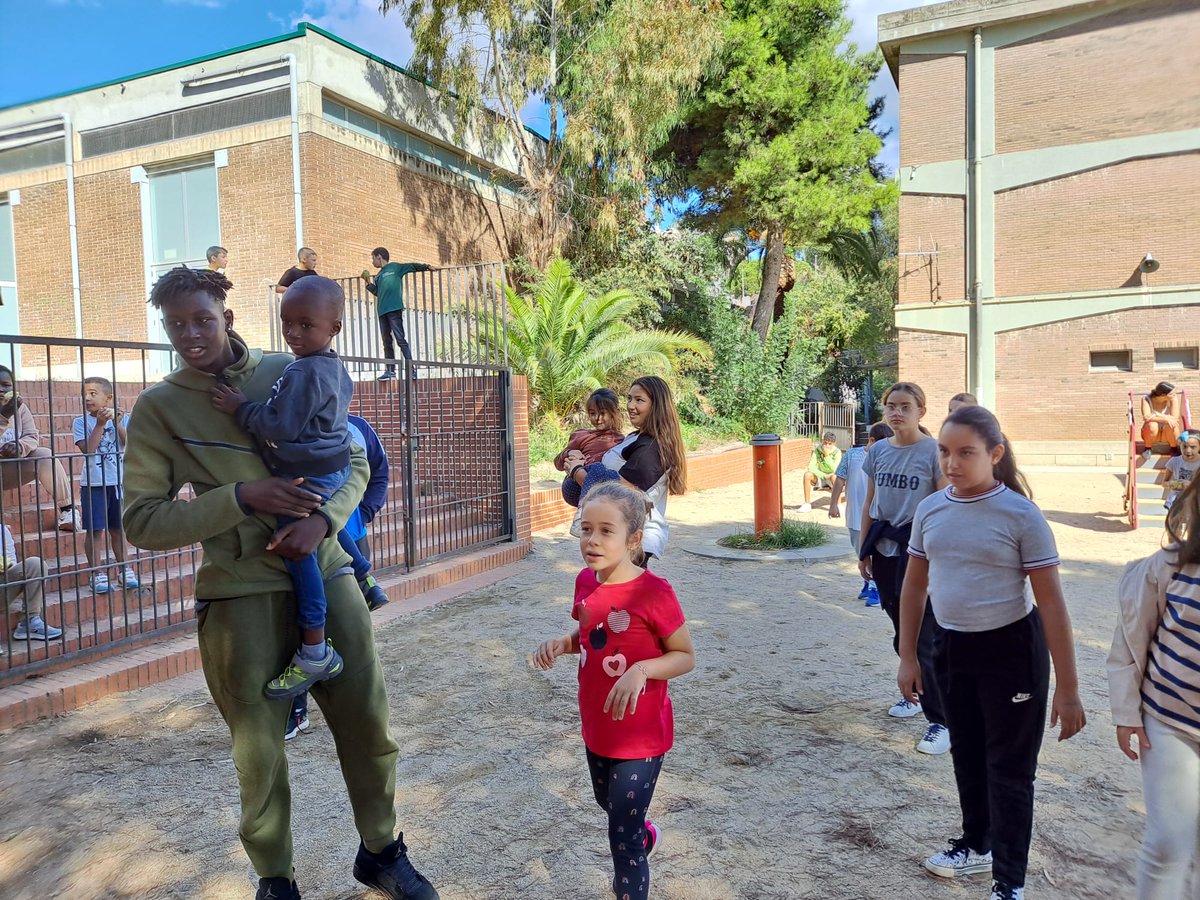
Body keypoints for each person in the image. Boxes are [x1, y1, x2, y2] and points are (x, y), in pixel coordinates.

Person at [124, 266, 439, 900]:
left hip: (324, 571)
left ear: (228, 317)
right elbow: (141, 520)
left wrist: (324, 521)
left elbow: (350, 457)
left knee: (368, 725)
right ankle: (276, 880)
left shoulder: (293, 367)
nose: (190, 334)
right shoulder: (158, 408)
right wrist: (240, 497)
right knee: (259, 753)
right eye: (176, 324)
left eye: (203, 320)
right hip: (239, 593)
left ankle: (381, 851)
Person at [898, 404, 1086, 900]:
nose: (951, 463)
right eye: (944, 451)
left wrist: (1067, 690)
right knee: (967, 755)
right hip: (952, 647)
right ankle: (976, 844)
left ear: (995, 454)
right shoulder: (932, 509)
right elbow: (915, 588)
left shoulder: (1020, 516)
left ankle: (1009, 880)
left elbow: (1052, 606)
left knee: (1008, 768)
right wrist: (909, 656)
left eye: (966, 453)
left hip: (1011, 653)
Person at [212, 276, 380, 702]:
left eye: (306, 325)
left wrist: (241, 407)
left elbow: (280, 425)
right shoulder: (336, 368)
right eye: (288, 323)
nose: (294, 333)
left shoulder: (302, 371)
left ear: (334, 328)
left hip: (305, 475)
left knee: (298, 553)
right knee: (328, 520)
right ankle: (364, 575)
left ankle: (314, 649)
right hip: (332, 467)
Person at [534, 482, 695, 900]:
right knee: (613, 808)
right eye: (586, 529)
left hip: (642, 736)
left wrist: (642, 670)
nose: (592, 539)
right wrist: (563, 644)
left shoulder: (654, 593)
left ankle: (633, 850)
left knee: (621, 840)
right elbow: (591, 636)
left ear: (633, 539)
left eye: (606, 530)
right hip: (598, 729)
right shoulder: (585, 582)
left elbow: (683, 656)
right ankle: (642, 835)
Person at [1109, 472, 1200, 899]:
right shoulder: (1171, 566)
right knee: (1169, 843)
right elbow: (1130, 640)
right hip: (1171, 721)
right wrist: (1127, 713)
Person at [859, 382, 951, 752]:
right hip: (884, 549)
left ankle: (942, 720)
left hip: (920, 551)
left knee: (924, 636)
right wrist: (863, 549)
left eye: (905, 406)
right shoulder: (878, 450)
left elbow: (945, 503)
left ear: (921, 412)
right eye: (891, 406)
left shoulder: (933, 451)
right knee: (902, 632)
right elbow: (869, 501)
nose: (897, 413)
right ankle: (914, 691)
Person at [287, 414, 390, 743]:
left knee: (349, 624)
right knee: (304, 617)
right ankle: (297, 708)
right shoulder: (295, 425)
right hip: (310, 536)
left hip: (348, 536)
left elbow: (379, 470)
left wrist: (366, 512)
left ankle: (356, 702)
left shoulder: (357, 427)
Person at [562, 376, 687, 564]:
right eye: (629, 398)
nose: (631, 405)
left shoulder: (650, 448)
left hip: (631, 537)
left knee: (623, 591)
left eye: (639, 400)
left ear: (657, 405)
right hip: (617, 530)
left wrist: (576, 471)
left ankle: (582, 519)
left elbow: (621, 493)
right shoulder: (636, 437)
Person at [73, 376, 138, 594]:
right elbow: (88, 450)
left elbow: (130, 446)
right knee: (95, 530)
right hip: (93, 484)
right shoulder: (81, 421)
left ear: (108, 398)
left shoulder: (123, 417)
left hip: (117, 483)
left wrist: (116, 423)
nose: (87, 397)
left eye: (93, 393)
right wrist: (100, 424)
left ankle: (124, 569)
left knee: (118, 528)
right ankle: (96, 573)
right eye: (85, 393)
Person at [0, 365, 80, 531]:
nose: (1, 389)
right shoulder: (9, 411)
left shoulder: (19, 407)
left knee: (45, 455)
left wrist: (20, 446)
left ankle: (68, 511)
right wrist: (4, 416)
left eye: (6, 384)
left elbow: (32, 436)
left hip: (8, 469)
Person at [829, 422, 893, 606]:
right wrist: (833, 504)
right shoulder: (852, 455)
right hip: (855, 514)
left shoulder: (885, 458)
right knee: (860, 551)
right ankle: (868, 582)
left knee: (877, 553)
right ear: (871, 441)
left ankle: (875, 588)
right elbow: (840, 479)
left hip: (877, 516)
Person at [362, 248, 433, 382]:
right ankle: (390, 371)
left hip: (394, 309)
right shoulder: (378, 276)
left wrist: (427, 267)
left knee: (400, 339)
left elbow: (412, 266)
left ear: (379, 257)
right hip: (382, 311)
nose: (372, 261)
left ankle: (412, 370)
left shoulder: (395, 267)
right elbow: (378, 292)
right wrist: (368, 283)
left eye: (373, 258)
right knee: (386, 341)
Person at [554, 388, 626, 507]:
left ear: (613, 412)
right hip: (574, 485)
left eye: (603, 413)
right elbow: (558, 463)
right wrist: (570, 453)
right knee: (598, 468)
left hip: (599, 488)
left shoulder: (621, 440)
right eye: (593, 413)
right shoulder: (581, 435)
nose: (597, 418)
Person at [1, 521, 62, 651]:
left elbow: (11, 563)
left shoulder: (2, 531)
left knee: (36, 564)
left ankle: (29, 621)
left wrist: (6, 566)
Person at [800, 431, 842, 512]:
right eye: (825, 443)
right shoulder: (817, 450)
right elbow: (811, 467)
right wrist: (823, 475)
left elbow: (835, 469)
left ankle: (838, 505)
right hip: (821, 476)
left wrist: (826, 455)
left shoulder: (837, 452)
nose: (826, 445)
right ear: (822, 441)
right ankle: (807, 504)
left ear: (834, 444)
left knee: (835, 476)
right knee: (807, 475)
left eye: (830, 444)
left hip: (832, 476)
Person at [1141, 381, 1183, 451]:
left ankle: (1174, 448)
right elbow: (1146, 417)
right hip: (1152, 434)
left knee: (1171, 424)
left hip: (1168, 434)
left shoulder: (1173, 398)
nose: (1174, 395)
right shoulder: (1146, 399)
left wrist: (1156, 414)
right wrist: (1166, 418)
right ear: (1163, 395)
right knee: (1152, 425)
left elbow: (1175, 418)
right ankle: (1148, 448)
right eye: (1171, 393)